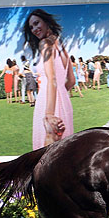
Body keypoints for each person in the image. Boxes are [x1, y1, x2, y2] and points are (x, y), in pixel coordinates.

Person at [24, 8, 76, 149]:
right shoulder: (61, 47)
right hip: (64, 103)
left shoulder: (45, 44)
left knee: (45, 154)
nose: (34, 29)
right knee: (63, 153)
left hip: (47, 103)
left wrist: (48, 113)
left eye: (37, 23)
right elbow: (72, 80)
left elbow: (52, 79)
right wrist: (61, 95)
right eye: (31, 27)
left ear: (46, 22)